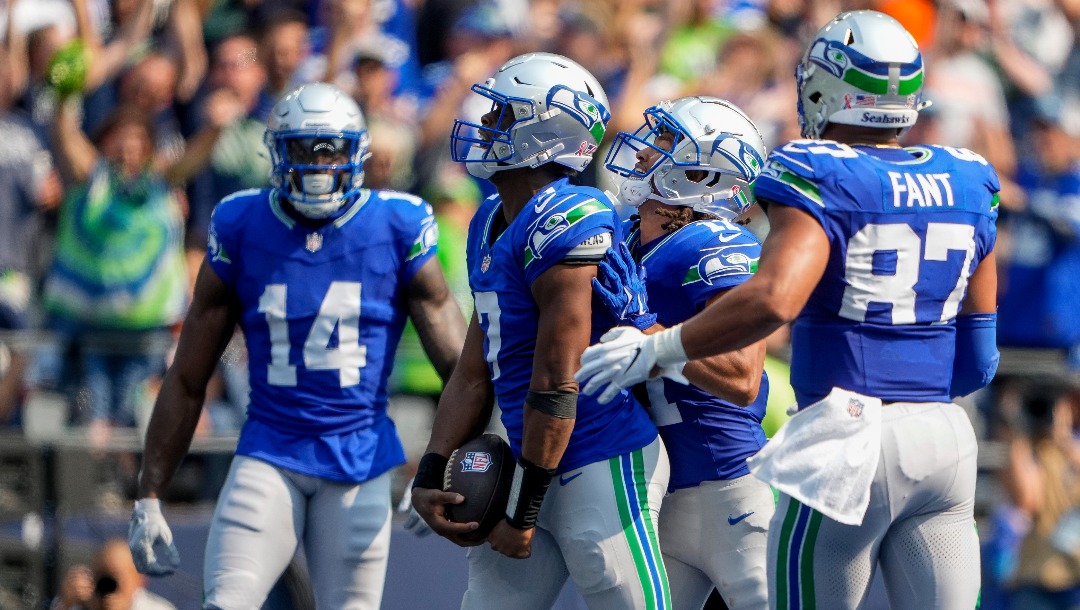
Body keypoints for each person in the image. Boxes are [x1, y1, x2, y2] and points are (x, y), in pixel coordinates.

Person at [577, 10, 999, 609]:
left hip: (847, 428)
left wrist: (657, 346)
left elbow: (775, 297)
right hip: (946, 437)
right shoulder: (969, 177)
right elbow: (980, 361)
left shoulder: (817, 170)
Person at [127, 82, 467, 609]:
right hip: (271, 448)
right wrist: (148, 496)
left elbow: (460, 368)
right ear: (276, 153)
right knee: (226, 602)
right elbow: (188, 375)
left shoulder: (398, 224)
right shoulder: (242, 223)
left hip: (360, 457)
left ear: (357, 154)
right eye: (303, 149)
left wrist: (440, 465)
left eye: (329, 149)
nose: (316, 164)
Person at [410, 52, 671, 610]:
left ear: (545, 133)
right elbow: (475, 368)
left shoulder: (569, 214)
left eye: (503, 116)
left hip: (598, 453)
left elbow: (559, 377)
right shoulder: (489, 219)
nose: (485, 126)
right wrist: (430, 470)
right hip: (531, 451)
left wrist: (522, 509)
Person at [595, 95, 774, 609]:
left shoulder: (714, 242)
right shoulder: (626, 243)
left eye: (668, 141)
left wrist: (649, 332)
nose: (648, 150)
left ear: (704, 175)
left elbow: (741, 375)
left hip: (732, 488)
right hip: (658, 500)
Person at [53, 538, 176, 610]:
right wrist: (65, 603)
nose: (108, 584)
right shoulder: (77, 606)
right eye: (102, 574)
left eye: (115, 575)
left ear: (138, 580)